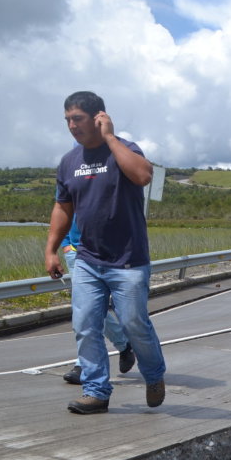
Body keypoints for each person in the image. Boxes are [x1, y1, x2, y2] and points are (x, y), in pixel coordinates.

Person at [45, 91, 167, 415]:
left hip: (128, 260)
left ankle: (154, 375)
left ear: (99, 117)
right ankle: (96, 390)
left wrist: (110, 138)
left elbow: (143, 176)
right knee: (85, 324)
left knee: (133, 323)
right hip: (88, 259)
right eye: (67, 120)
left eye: (78, 119)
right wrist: (51, 250)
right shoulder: (69, 162)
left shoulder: (125, 149)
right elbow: (62, 207)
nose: (71, 126)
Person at [61, 214, 135, 385]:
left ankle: (84, 366)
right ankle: (123, 345)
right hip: (75, 253)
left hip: (104, 253)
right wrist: (65, 244)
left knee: (89, 309)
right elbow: (64, 210)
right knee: (87, 308)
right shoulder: (70, 186)